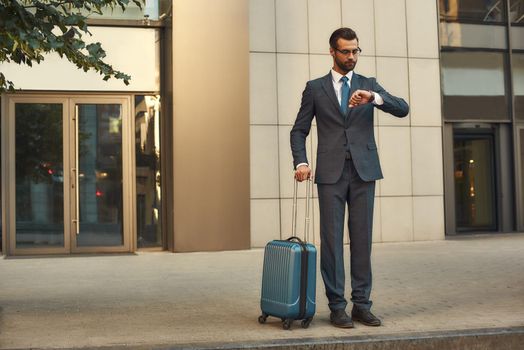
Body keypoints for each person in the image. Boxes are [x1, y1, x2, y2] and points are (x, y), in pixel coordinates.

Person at [290, 27, 409, 328]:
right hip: (330, 174)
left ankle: (362, 305)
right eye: (346, 51)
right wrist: (302, 161)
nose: (352, 56)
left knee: (362, 240)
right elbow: (298, 131)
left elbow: (403, 109)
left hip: (363, 172)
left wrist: (374, 98)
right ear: (332, 51)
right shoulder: (315, 88)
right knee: (331, 242)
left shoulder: (369, 85)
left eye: (356, 50)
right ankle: (337, 307)